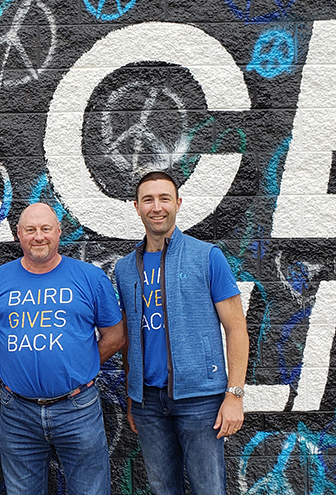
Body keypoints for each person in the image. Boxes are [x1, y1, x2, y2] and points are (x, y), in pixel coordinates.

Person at [114, 171, 248, 495]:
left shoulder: (207, 257)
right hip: (147, 402)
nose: (156, 207)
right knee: (163, 489)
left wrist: (235, 395)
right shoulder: (124, 268)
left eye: (164, 198)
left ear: (178, 203)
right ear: (136, 207)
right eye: (148, 199)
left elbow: (236, 328)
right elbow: (130, 337)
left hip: (200, 400)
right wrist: (134, 397)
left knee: (209, 489)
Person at [0, 203, 126, 495]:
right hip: (17, 411)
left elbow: (115, 335)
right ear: (18, 234)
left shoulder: (90, 278)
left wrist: (79, 363)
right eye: (30, 230)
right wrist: (17, 364)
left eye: (46, 229)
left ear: (59, 232)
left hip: (78, 408)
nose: (38, 236)